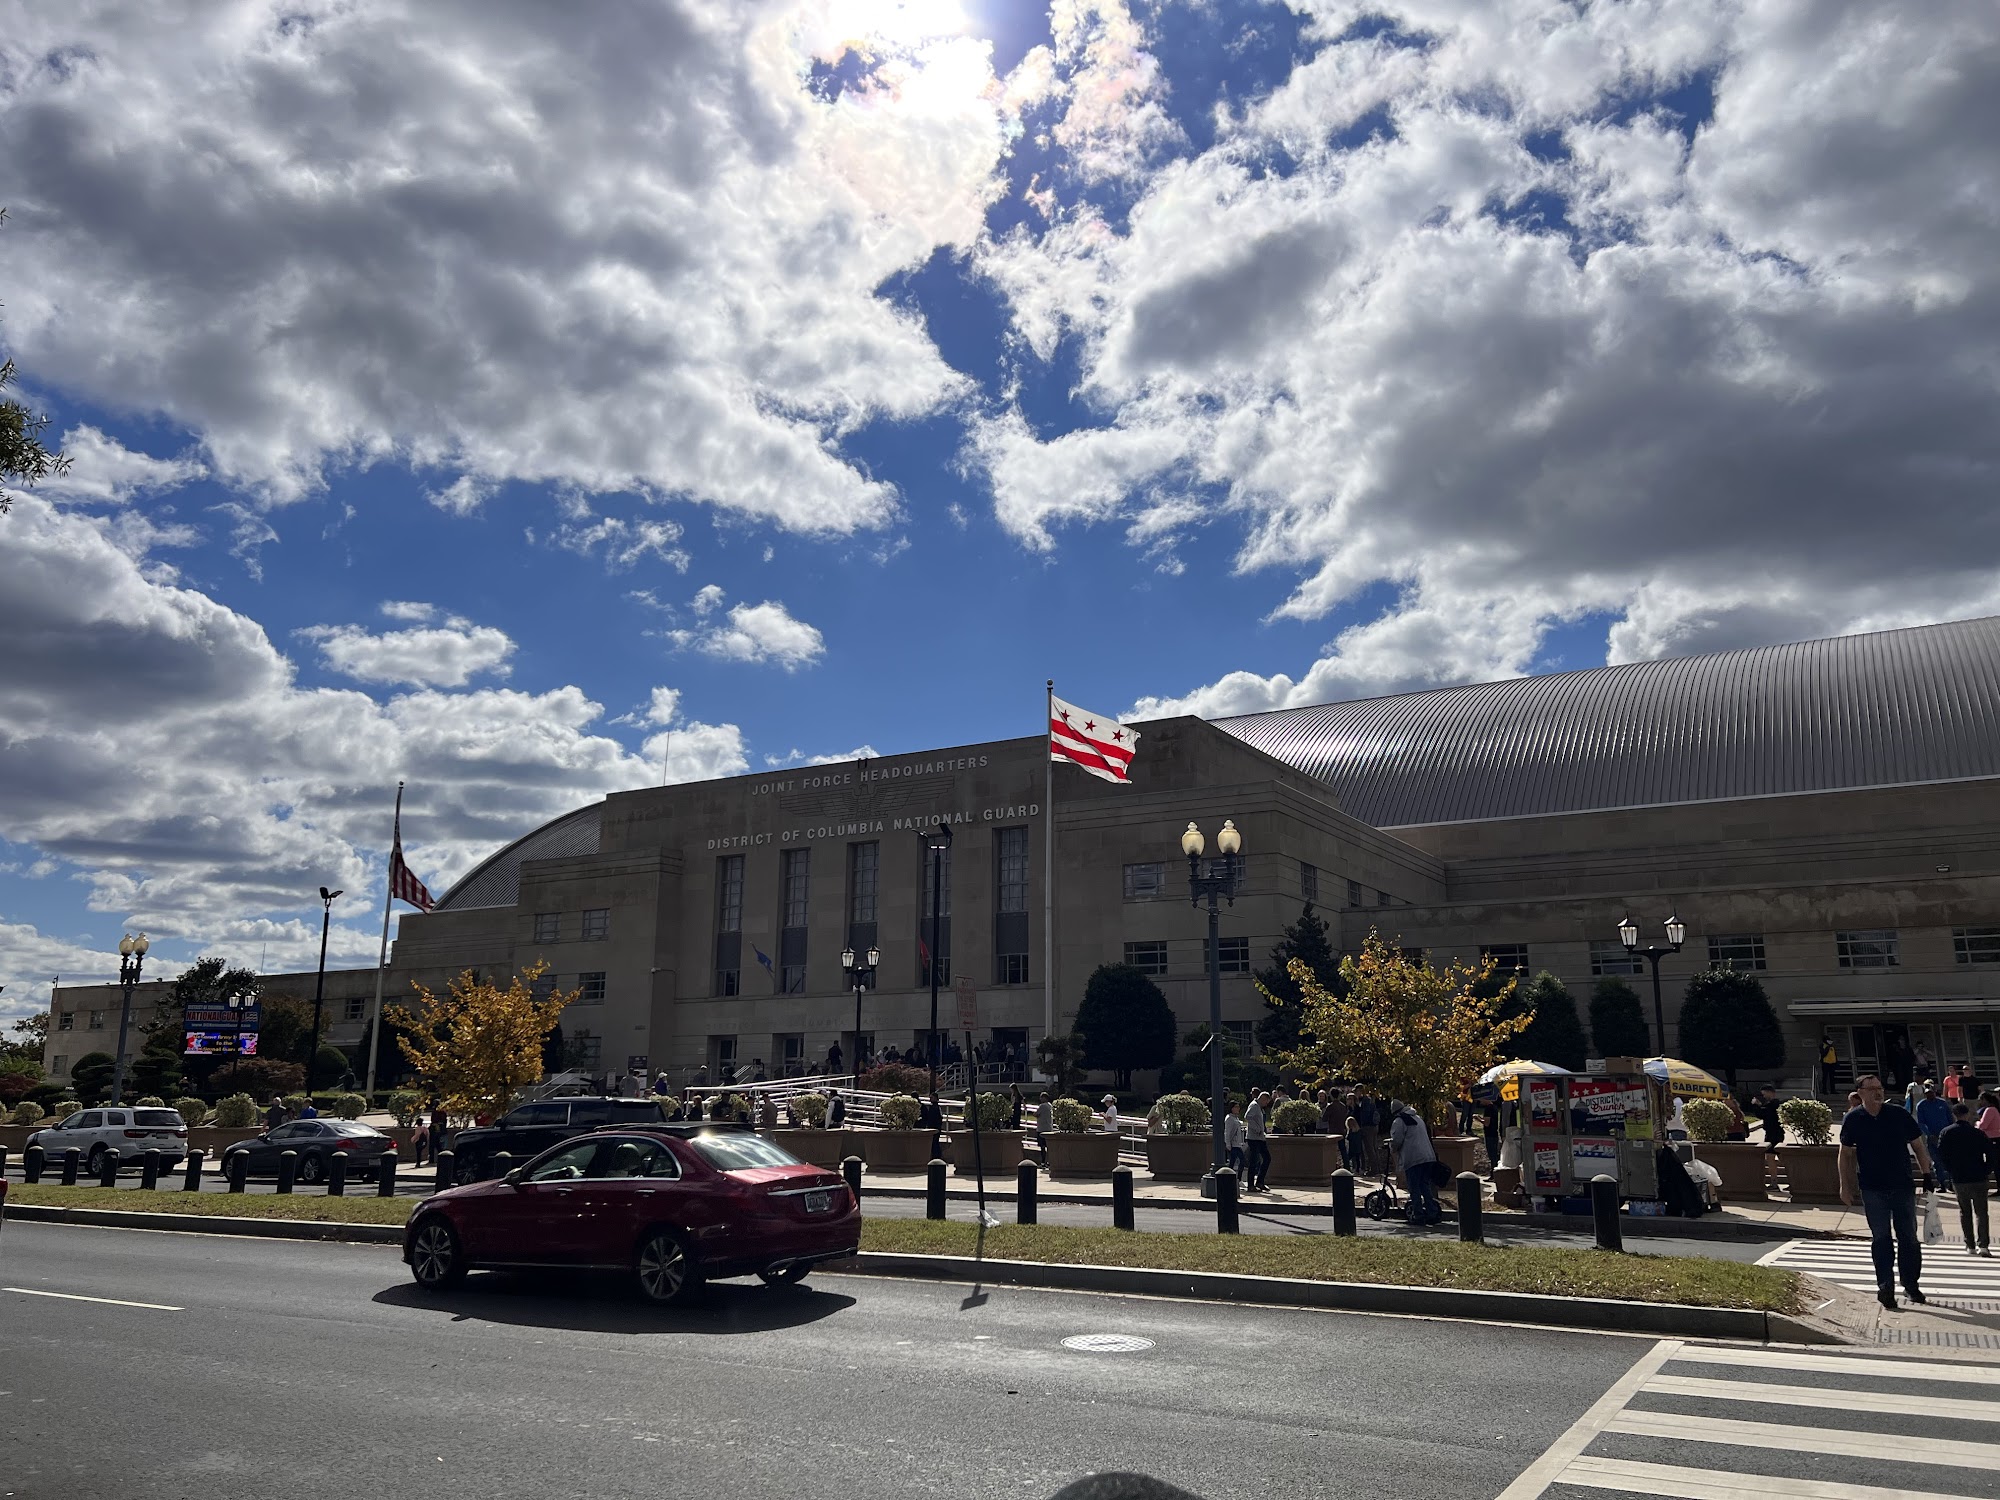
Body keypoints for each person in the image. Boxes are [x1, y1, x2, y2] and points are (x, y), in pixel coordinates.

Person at [1838, 1073, 1935, 1310]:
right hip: (1872, 1187)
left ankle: (1911, 1285)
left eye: (1879, 1088)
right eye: (1871, 1089)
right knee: (1881, 1238)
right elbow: (1845, 1154)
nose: (1878, 1092)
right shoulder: (1854, 1118)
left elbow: (1918, 1145)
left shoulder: (1898, 1114)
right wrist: (1845, 1186)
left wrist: (1927, 1174)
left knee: (1908, 1237)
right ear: (1860, 1093)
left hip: (1902, 1185)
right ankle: (1885, 1286)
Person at [1937, 1102, 1991, 1257]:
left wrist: (1950, 1170)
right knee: (1981, 1212)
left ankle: (1970, 1245)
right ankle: (1984, 1245)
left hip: (1959, 1176)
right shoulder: (1977, 1133)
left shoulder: (1946, 1133)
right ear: (1967, 1115)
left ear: (1954, 1115)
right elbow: (1990, 1153)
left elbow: (1941, 1155)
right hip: (1978, 1175)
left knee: (1964, 1211)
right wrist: (1986, 1169)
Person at [1389, 1099, 1441, 1224]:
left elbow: (1396, 1140)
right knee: (1424, 1185)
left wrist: (1391, 1147)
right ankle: (1432, 1212)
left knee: (1414, 1187)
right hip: (1428, 1156)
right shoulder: (1417, 1118)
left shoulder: (1400, 1121)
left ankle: (1418, 1215)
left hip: (1413, 1158)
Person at [1914, 1083, 1954, 1188]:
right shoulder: (1921, 1105)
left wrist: (1951, 1132)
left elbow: (1950, 1118)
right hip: (1932, 1137)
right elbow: (1921, 1123)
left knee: (1948, 1159)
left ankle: (1951, 1182)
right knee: (1936, 1160)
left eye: (1931, 1093)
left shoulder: (1942, 1103)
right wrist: (1929, 1134)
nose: (1929, 1095)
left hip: (1945, 1136)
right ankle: (1942, 1183)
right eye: (1927, 1093)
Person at [1244, 1091, 1271, 1192]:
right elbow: (1247, 1117)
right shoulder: (1254, 1106)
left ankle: (1260, 1181)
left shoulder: (1259, 1107)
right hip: (1253, 1138)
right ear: (1263, 1099)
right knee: (1254, 1160)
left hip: (1259, 1137)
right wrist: (1257, 1129)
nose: (1266, 1104)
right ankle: (1251, 1185)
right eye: (1266, 1102)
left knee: (1266, 1158)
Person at [1224, 1099, 1246, 1175]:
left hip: (1237, 1144)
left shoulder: (1235, 1118)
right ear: (1232, 1108)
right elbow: (1227, 1132)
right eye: (1236, 1107)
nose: (1238, 1108)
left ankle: (1233, 1177)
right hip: (1233, 1144)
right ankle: (1235, 1177)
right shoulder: (1229, 1118)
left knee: (1233, 1162)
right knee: (1240, 1161)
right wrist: (1228, 1144)